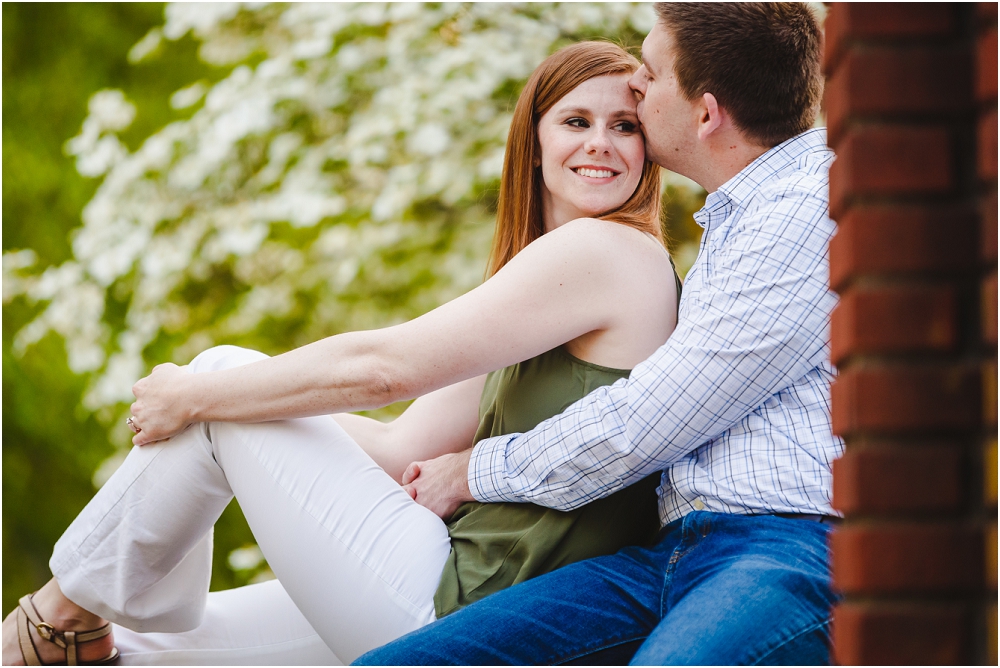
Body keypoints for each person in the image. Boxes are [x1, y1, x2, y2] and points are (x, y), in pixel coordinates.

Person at [2, 41, 682, 666]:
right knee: (149, 646)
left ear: (649, 149)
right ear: (533, 142)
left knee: (219, 377)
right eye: (576, 122)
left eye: (625, 126)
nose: (602, 143)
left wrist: (201, 399)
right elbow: (398, 452)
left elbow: (384, 369)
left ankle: (56, 618)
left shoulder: (610, 252)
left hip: (479, 614)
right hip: (451, 577)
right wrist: (241, 425)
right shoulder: (541, 281)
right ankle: (72, 631)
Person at [356, 3, 843, 665]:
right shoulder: (738, 218)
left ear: (704, 113)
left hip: (785, 549)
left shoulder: (804, 209)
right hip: (673, 554)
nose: (635, 87)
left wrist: (476, 470)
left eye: (649, 75)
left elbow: (649, 420)